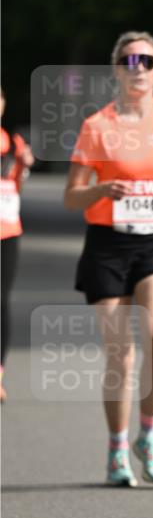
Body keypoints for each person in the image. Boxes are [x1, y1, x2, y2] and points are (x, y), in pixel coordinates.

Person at [64, 31, 153, 486]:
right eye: (127, 60)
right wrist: (100, 189)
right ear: (117, 69)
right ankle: (117, 449)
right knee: (121, 355)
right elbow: (71, 198)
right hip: (107, 245)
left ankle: (149, 436)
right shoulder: (97, 126)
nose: (137, 67)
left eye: (146, 60)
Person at [1, 88, 35, 402]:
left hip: (8, 229)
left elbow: (15, 186)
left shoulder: (13, 142)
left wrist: (23, 165)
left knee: (2, 299)